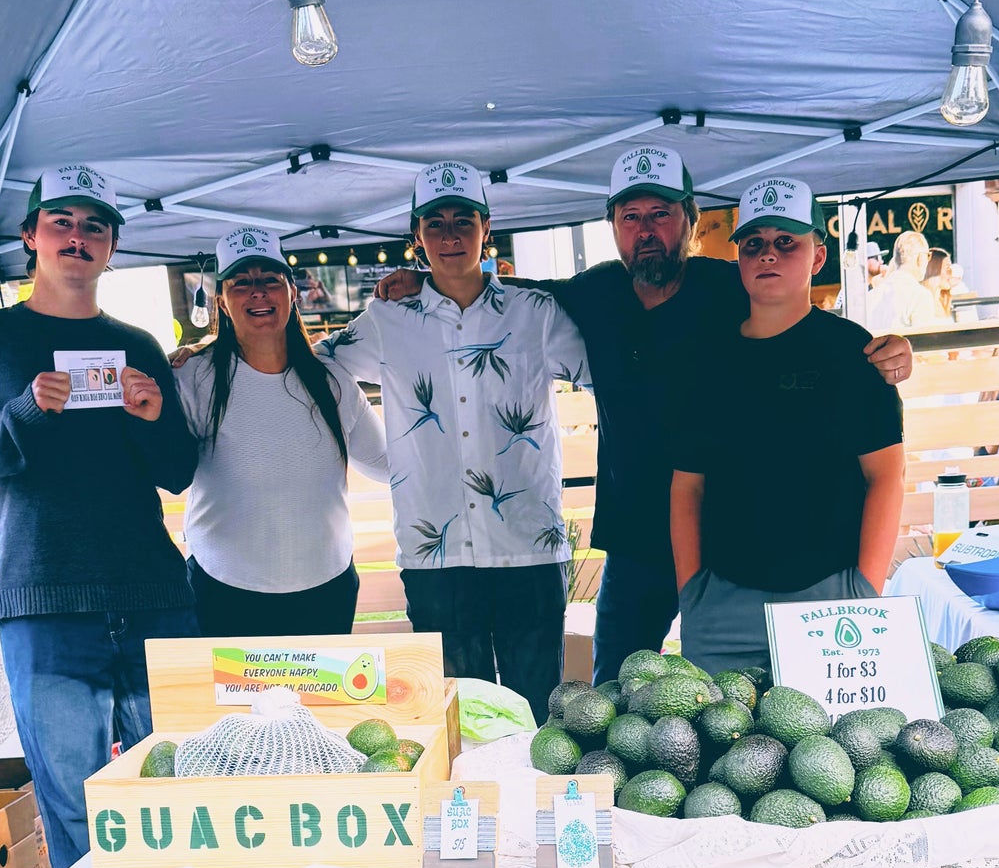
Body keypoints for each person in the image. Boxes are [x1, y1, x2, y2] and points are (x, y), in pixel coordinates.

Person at [376, 145, 914, 683]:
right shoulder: (596, 292)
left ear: (691, 222)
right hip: (636, 536)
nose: (646, 230)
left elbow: (800, 322)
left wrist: (888, 349)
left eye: (661, 214)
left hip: (733, 537)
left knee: (765, 697)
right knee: (614, 690)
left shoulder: (731, 284)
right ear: (612, 225)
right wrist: (424, 283)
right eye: (630, 217)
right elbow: (508, 296)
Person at [0, 165, 197, 868]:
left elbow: (178, 470)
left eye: (95, 226)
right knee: (74, 804)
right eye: (61, 221)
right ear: (29, 236)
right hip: (44, 604)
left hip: (154, 597)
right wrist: (22, 413)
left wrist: (151, 420)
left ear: (113, 247)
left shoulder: (140, 345)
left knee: (173, 791)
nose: (77, 237)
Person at [323, 161, 588, 723]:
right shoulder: (387, 319)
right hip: (434, 554)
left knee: (538, 716)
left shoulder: (534, 313)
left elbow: (604, 368)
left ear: (486, 229)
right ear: (416, 237)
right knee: (457, 720)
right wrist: (207, 356)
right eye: (434, 223)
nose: (449, 235)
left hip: (528, 549)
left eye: (462, 221)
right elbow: (311, 365)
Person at [669, 177, 904, 677]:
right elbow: (687, 485)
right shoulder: (704, 360)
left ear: (818, 257)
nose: (768, 255)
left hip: (830, 600)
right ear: (739, 260)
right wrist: (693, 591)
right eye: (753, 244)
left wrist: (864, 588)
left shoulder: (854, 352)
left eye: (785, 243)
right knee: (710, 751)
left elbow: (886, 475)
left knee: (833, 754)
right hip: (722, 608)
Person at [172, 226, 388, 637]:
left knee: (316, 705)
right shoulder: (193, 378)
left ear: (292, 291)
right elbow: (165, 467)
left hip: (326, 590)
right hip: (222, 590)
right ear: (221, 299)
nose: (258, 292)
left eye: (270, 280)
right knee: (233, 706)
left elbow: (386, 464)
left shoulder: (332, 379)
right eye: (241, 283)